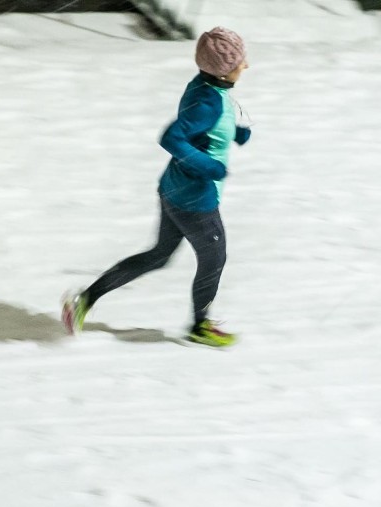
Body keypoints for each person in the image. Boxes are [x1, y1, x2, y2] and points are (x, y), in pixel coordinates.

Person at [62, 26, 251, 347]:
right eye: (239, 62)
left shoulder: (203, 88)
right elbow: (173, 137)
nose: (245, 66)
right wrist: (209, 166)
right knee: (214, 258)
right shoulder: (210, 102)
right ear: (222, 71)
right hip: (195, 198)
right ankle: (200, 326)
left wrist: (233, 132)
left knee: (159, 255)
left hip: (172, 189)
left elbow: (198, 125)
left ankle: (84, 300)